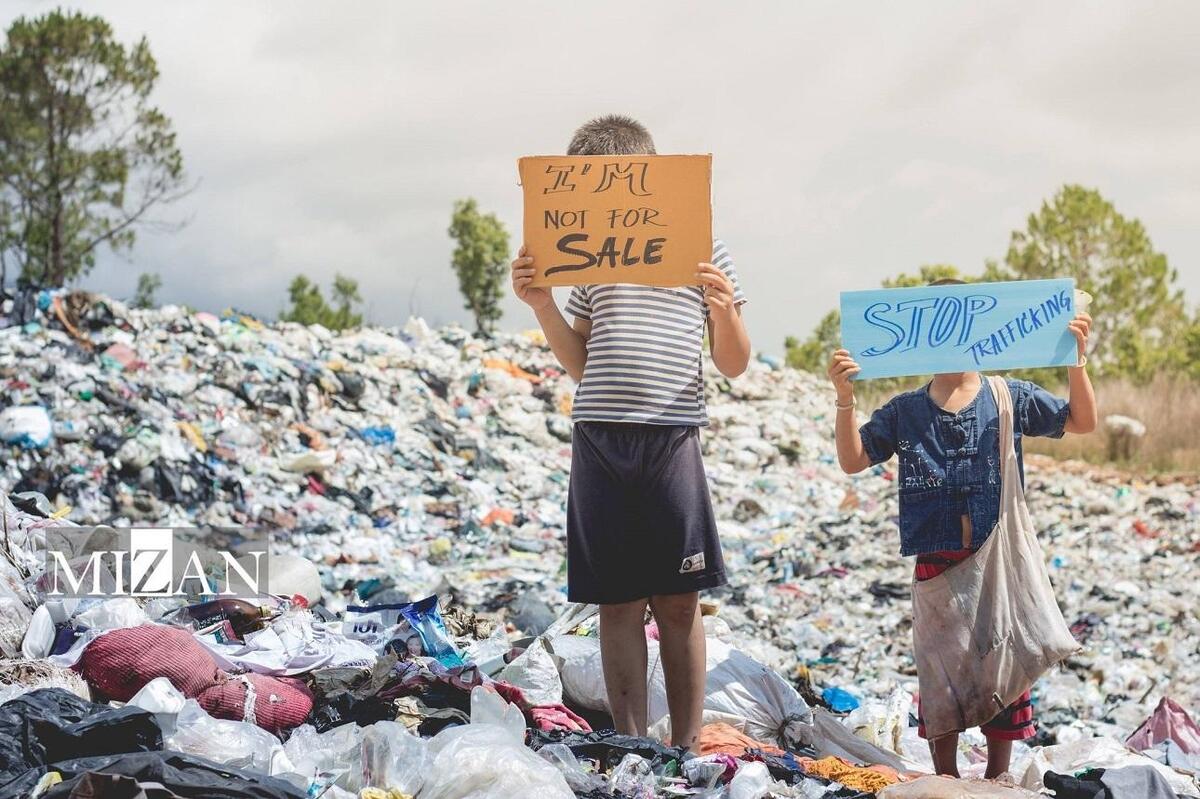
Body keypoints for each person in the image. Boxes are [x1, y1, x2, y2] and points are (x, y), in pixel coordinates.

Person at [510, 115, 751, 752]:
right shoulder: (589, 258)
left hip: (672, 440)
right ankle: (632, 743)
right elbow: (582, 362)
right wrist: (541, 306)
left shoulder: (702, 250)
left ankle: (687, 743)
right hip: (600, 443)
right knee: (616, 604)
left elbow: (733, 362)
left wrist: (724, 311)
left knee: (678, 602)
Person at [827, 279, 1098, 778]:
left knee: (1005, 666)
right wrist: (845, 398)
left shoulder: (1008, 396)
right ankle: (945, 780)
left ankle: (998, 779)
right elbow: (852, 459)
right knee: (941, 675)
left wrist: (1075, 362)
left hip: (999, 561)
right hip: (938, 564)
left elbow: (1081, 421)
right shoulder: (905, 412)